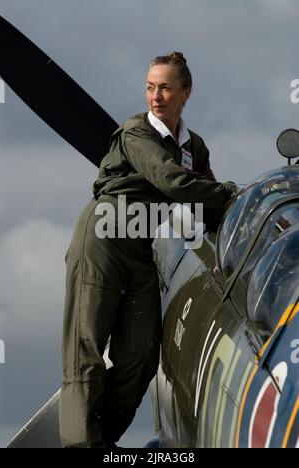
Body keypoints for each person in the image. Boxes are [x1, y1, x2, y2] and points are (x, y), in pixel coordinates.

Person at [59, 51, 237, 448]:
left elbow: (207, 204)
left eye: (165, 88)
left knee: (141, 357)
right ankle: (79, 445)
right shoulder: (136, 132)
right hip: (103, 239)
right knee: (86, 348)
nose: (155, 97)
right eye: (150, 87)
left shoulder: (194, 148)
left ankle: (101, 439)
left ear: (186, 92)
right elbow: (170, 181)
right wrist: (231, 194)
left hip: (142, 249)